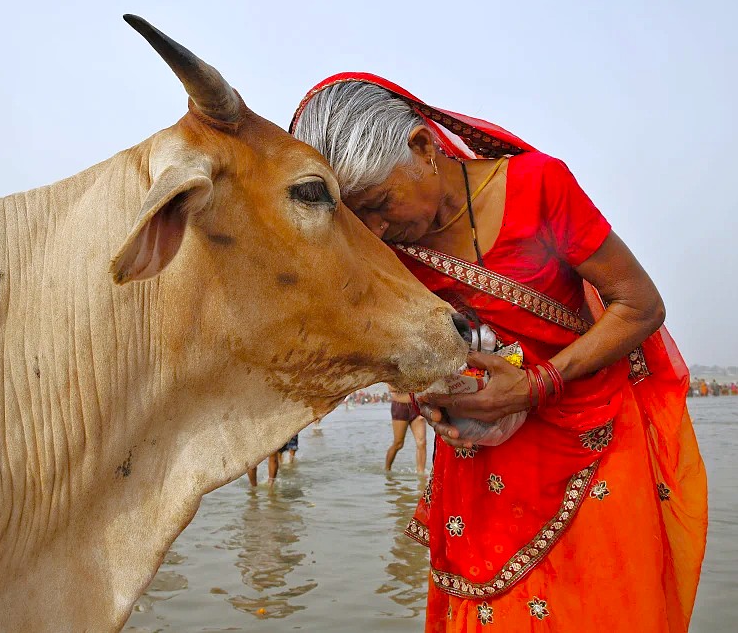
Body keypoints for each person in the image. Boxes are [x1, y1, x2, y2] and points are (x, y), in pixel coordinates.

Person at [291, 74, 707, 632]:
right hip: (482, 462)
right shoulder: (387, 252)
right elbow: (400, 348)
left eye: (380, 204)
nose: (376, 229)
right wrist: (438, 403)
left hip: (593, 439)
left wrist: (538, 385)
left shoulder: (540, 188)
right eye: (358, 218)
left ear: (422, 147)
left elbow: (639, 306)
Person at [386, 386, 428, 473]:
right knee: (398, 444)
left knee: (422, 443)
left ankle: (421, 475)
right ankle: (387, 469)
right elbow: (391, 388)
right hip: (400, 407)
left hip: (417, 406)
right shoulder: (394, 372)